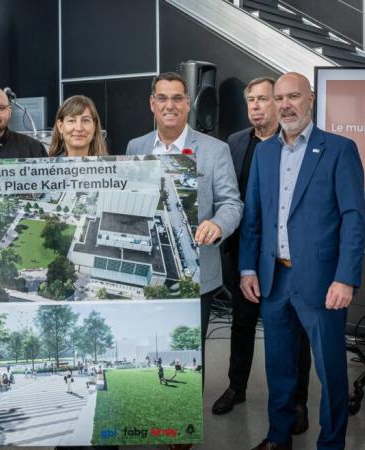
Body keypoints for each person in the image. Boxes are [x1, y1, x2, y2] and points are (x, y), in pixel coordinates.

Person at [239, 72, 365, 450]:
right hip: (274, 278)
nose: (285, 105)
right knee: (278, 367)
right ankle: (279, 437)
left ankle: (331, 442)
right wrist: (247, 267)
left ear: (310, 100)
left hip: (323, 282)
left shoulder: (339, 149)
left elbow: (354, 219)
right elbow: (253, 216)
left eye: (293, 96)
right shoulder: (264, 152)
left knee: (330, 371)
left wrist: (346, 278)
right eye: (279, 98)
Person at [126, 71, 242, 385]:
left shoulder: (214, 150)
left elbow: (232, 204)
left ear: (188, 103)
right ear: (152, 103)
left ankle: (184, 433)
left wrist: (217, 225)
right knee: (149, 350)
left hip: (198, 274)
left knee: (189, 358)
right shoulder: (135, 147)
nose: (170, 105)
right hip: (148, 273)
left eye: (177, 98)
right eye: (162, 98)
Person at [214, 77, 312, 436]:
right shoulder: (236, 143)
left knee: (294, 333)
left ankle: (296, 402)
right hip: (246, 253)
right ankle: (236, 387)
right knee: (241, 324)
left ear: (279, 103)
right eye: (251, 100)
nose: (256, 106)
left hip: (286, 258)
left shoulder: (295, 145)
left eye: (263, 99)